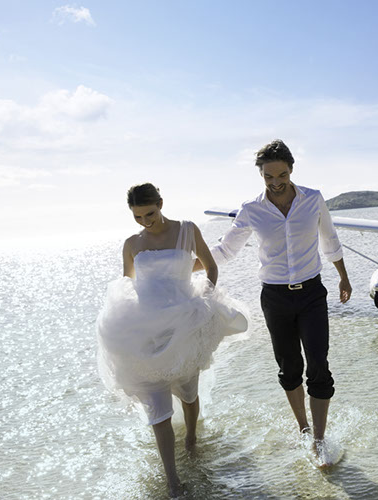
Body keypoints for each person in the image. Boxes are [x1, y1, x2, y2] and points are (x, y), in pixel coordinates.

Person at [96, 183, 247, 497]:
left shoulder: (187, 231)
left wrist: (205, 299)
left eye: (150, 213)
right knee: (158, 407)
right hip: (145, 329)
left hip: (183, 323)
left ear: (161, 204)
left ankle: (191, 438)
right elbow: (127, 285)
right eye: (138, 217)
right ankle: (172, 481)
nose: (145, 221)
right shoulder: (132, 243)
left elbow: (210, 266)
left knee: (188, 394)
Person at [210, 139, 351, 466]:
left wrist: (343, 277)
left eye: (282, 175)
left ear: (291, 169)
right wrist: (184, 266)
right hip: (275, 298)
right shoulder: (252, 209)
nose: (276, 182)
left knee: (318, 363)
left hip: (312, 294)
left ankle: (319, 440)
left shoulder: (312, 199)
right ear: (260, 174)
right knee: (289, 368)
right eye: (268, 176)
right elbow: (226, 250)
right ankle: (303, 429)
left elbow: (330, 240)